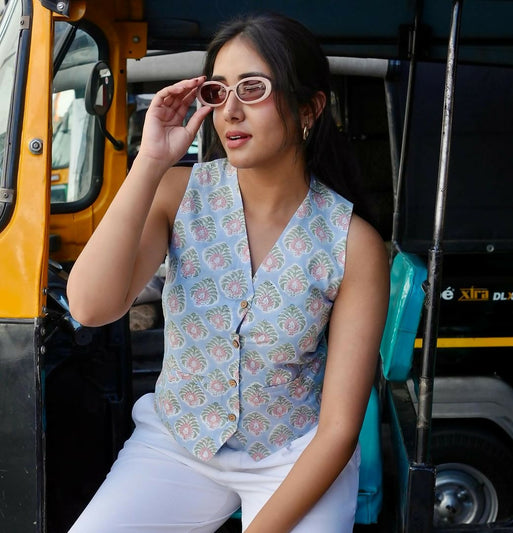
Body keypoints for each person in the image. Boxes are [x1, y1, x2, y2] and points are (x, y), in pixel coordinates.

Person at [66, 12, 389, 533]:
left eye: (254, 88)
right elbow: (90, 306)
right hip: (177, 441)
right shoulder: (177, 192)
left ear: (310, 107)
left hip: (293, 456)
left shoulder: (354, 244)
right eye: (218, 91)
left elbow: (338, 429)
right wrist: (150, 161)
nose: (231, 110)